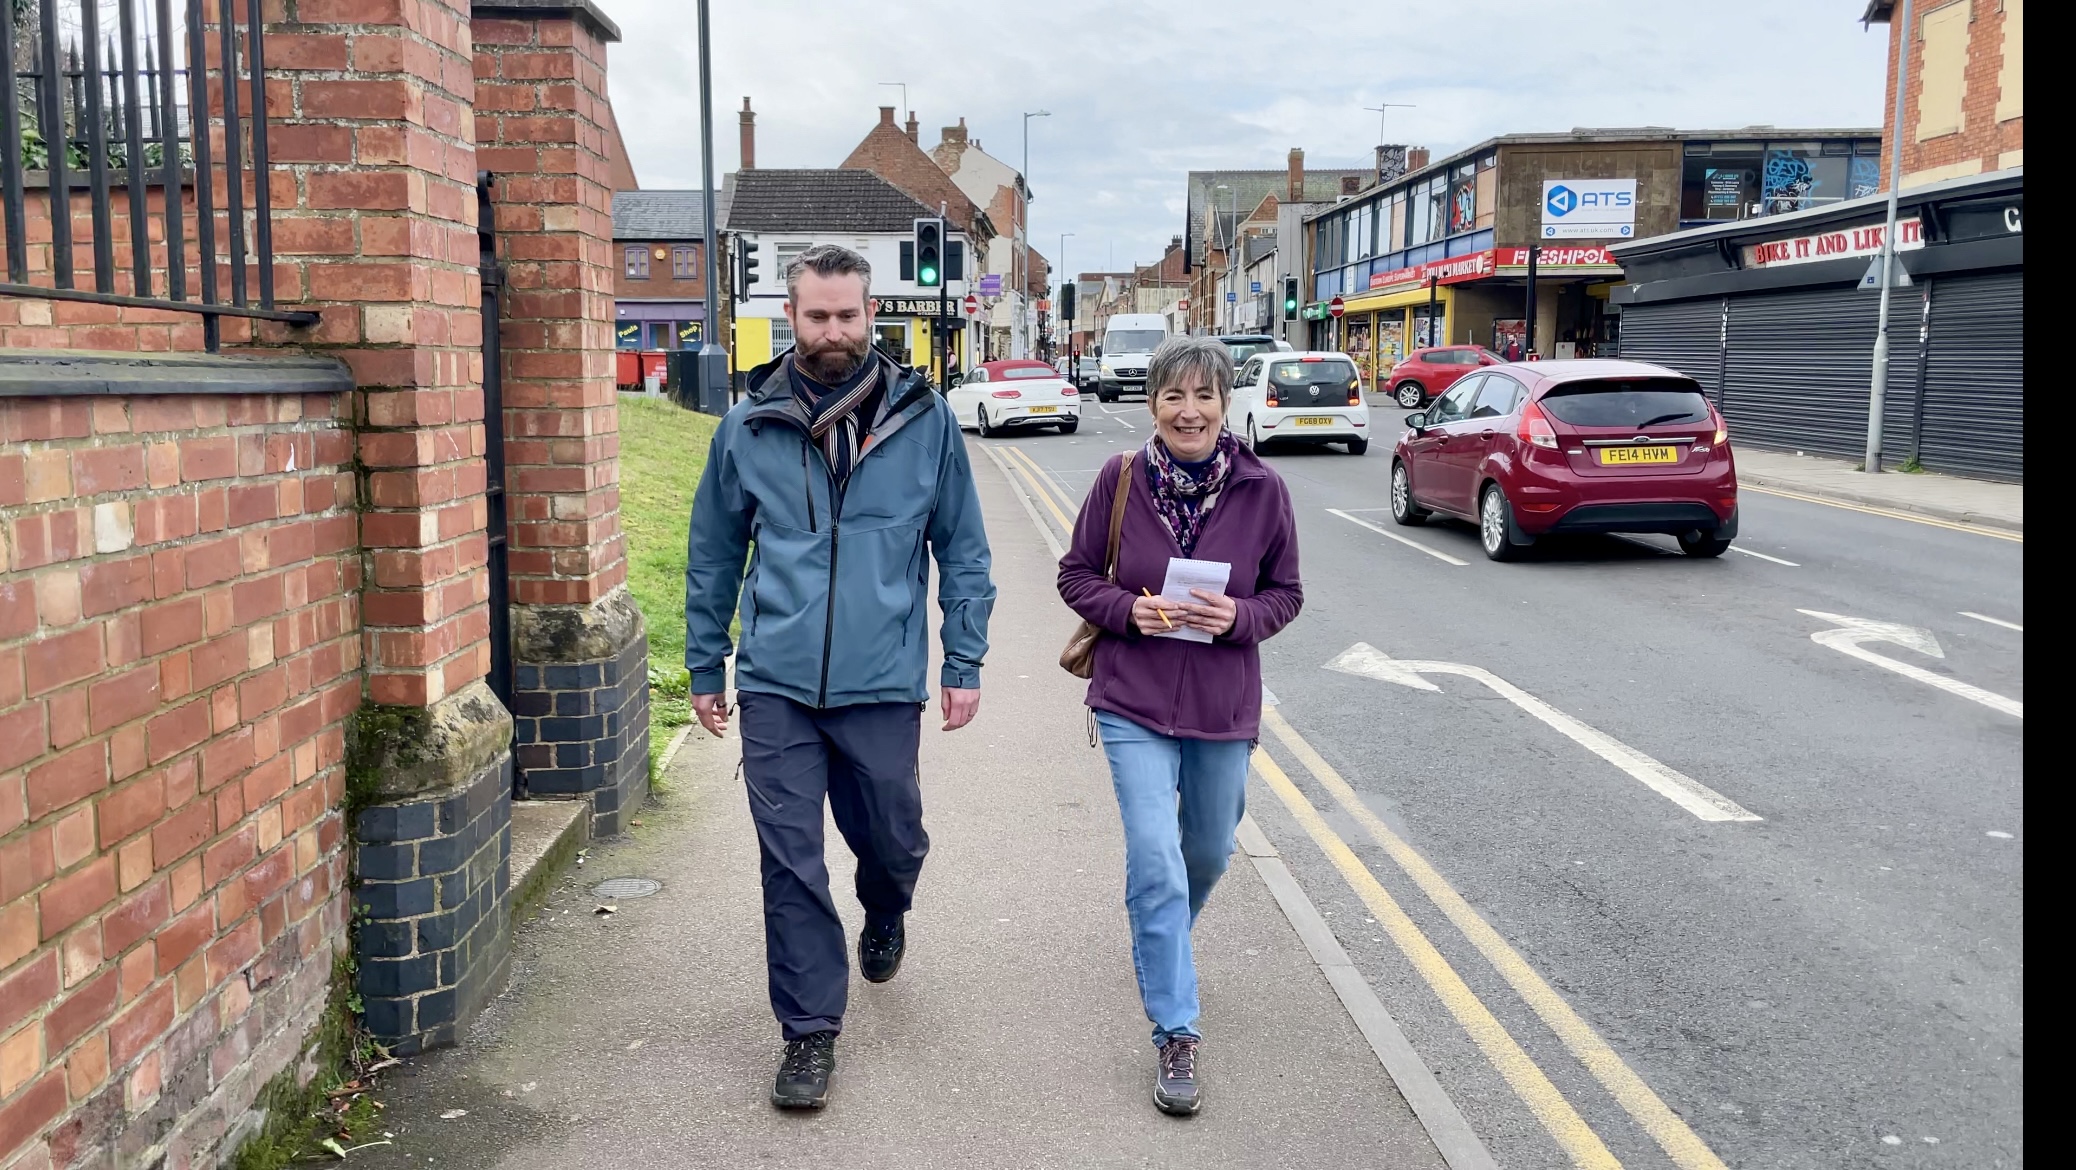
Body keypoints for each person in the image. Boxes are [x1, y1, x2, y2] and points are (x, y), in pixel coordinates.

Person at [683, 243, 996, 1111]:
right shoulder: (748, 426)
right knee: (790, 866)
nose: (832, 331)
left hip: (884, 681)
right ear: (792, 317)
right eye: (816, 316)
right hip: (778, 683)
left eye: (847, 315)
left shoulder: (924, 421)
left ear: (871, 316)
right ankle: (809, 1034)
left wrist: (962, 659)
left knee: (894, 842)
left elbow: (963, 550)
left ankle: (886, 906)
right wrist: (706, 660)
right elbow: (712, 554)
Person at [1056, 336, 1303, 1115]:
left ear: (1225, 403)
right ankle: (1176, 1030)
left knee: (1207, 849)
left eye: (1203, 396)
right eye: (1173, 396)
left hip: (1223, 706)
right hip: (1133, 699)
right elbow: (1075, 575)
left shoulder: (1263, 489)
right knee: (1157, 861)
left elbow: (1287, 594)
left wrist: (1238, 616)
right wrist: (1130, 610)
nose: (1188, 411)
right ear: (1152, 404)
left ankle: (1160, 936)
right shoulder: (1120, 479)